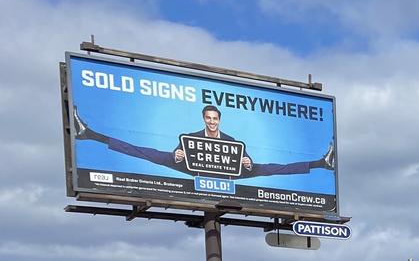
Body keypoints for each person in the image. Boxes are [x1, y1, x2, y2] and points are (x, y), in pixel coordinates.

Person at [72, 104, 334, 176]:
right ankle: (90, 134)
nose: (211, 122)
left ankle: (322, 163)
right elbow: (178, 151)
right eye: (208, 118)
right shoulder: (192, 138)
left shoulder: (231, 140)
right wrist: (177, 155)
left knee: (273, 169)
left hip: (229, 176)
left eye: (215, 118)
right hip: (189, 166)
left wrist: (246, 162)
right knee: (144, 151)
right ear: (204, 119)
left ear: (219, 120)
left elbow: (246, 158)